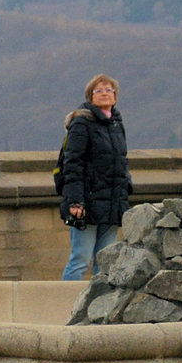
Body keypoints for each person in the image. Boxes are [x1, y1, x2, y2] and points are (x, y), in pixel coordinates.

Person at [58, 74, 130, 279]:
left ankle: (100, 307)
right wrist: (75, 200)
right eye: (99, 90)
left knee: (106, 261)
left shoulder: (116, 123)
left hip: (112, 202)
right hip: (86, 203)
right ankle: (66, 305)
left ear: (116, 96)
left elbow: (121, 161)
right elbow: (72, 164)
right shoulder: (81, 123)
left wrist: (125, 191)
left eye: (109, 90)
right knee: (80, 259)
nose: (105, 93)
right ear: (90, 96)